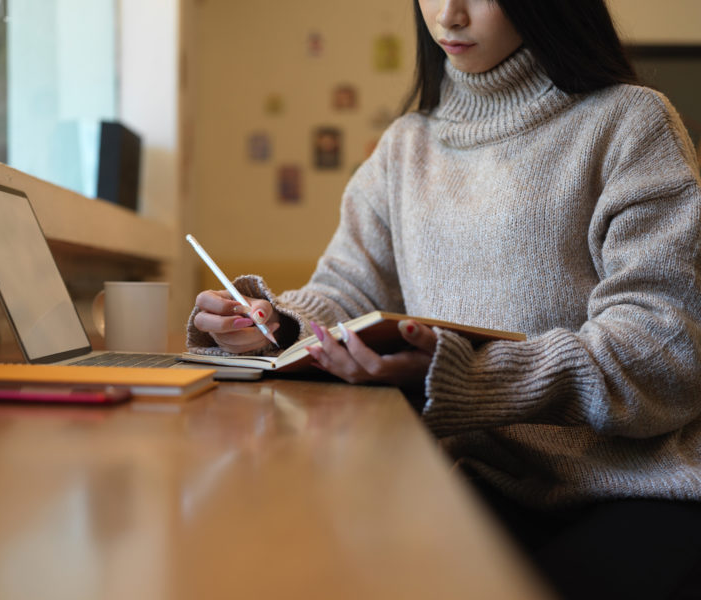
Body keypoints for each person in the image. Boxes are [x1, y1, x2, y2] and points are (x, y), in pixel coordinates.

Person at [187, 1, 701, 596]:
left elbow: (664, 357)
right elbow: (346, 290)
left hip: (638, 489)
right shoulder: (405, 148)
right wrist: (275, 327)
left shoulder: (630, 122)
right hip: (478, 482)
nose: (449, 16)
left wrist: (474, 376)